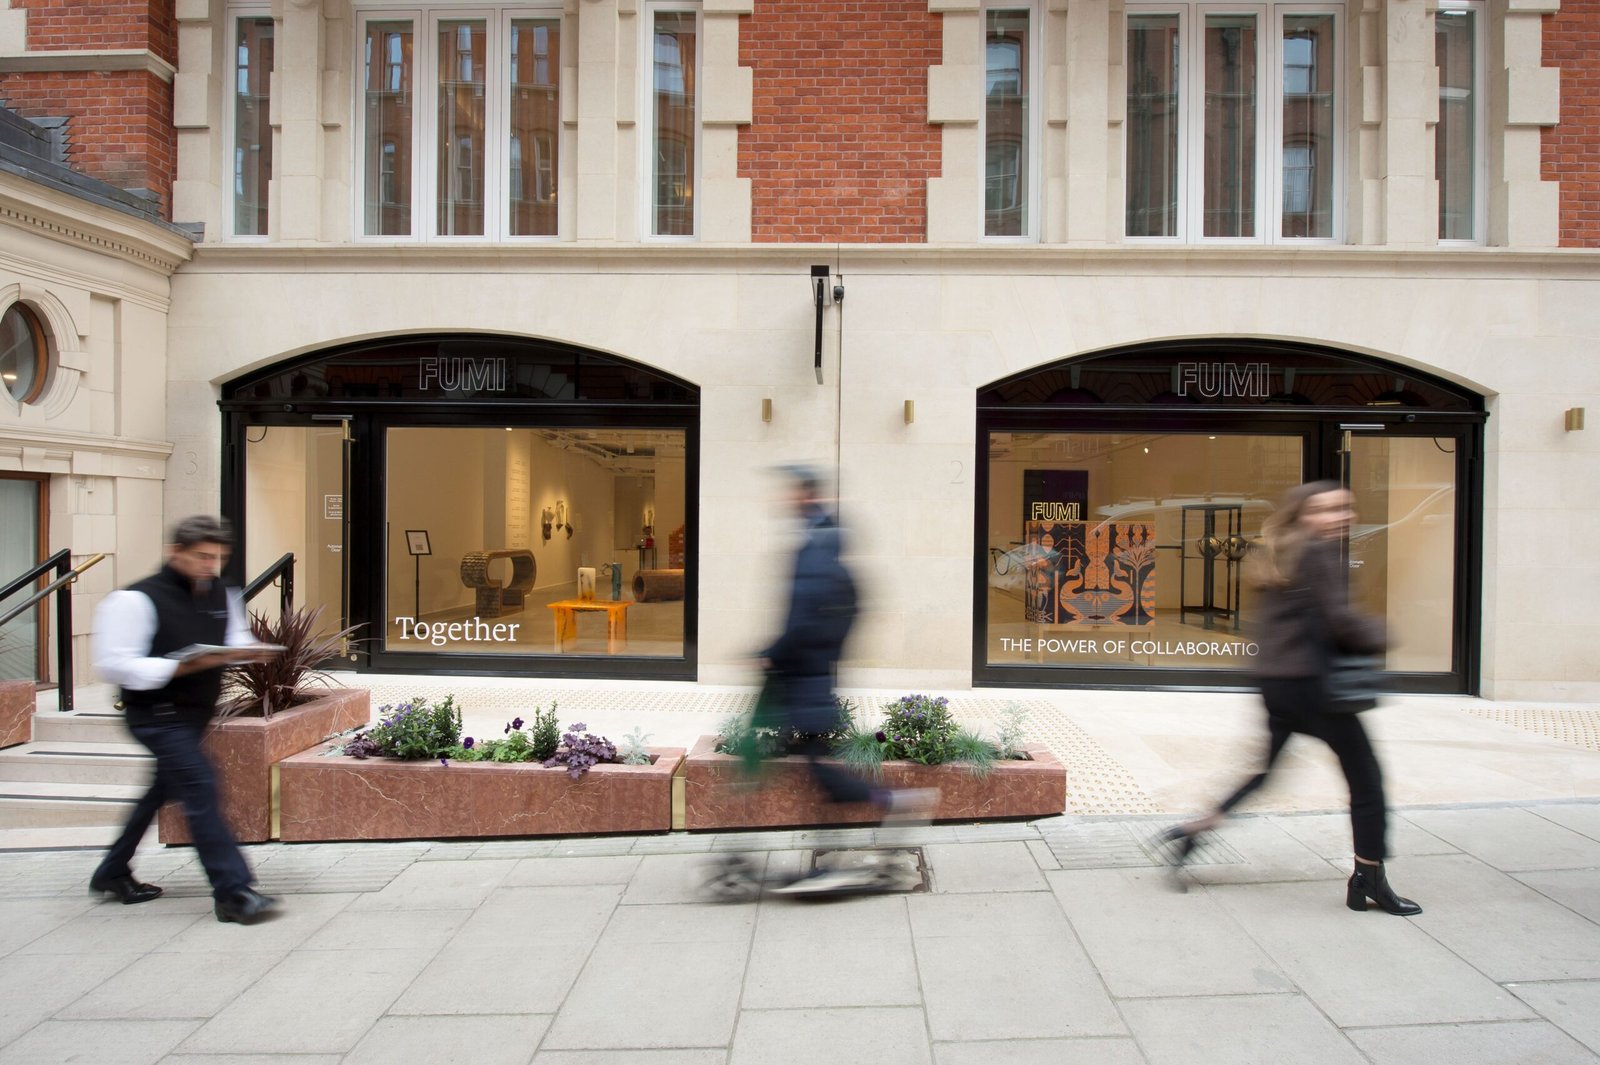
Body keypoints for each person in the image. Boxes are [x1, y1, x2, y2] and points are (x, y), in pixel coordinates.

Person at [1161, 481, 1420, 916]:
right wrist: (1381, 633)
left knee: (1264, 773)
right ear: (1305, 516)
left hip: (1278, 684)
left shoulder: (1280, 551)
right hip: (1312, 687)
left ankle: (1193, 831)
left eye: (1345, 507)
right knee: (1367, 780)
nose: (1342, 516)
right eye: (1328, 509)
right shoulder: (1318, 553)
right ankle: (1368, 877)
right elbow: (1340, 621)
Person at [90, 515, 280, 924]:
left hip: (195, 715)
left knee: (160, 790)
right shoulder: (134, 600)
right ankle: (233, 892)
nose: (211, 565)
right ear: (175, 552)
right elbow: (113, 664)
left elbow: (234, 639)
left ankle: (112, 871)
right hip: (155, 716)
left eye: (218, 557)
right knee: (200, 785)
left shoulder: (222, 592)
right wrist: (178, 666)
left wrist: (248, 651)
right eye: (202, 556)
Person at [760, 466, 936, 894]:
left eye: (791, 491)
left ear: (805, 494)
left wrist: (773, 652)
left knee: (819, 769)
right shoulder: (825, 545)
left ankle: (893, 803)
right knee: (815, 768)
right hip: (814, 673)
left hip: (806, 677)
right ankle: (832, 856)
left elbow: (802, 615)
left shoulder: (814, 549)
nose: (784, 499)